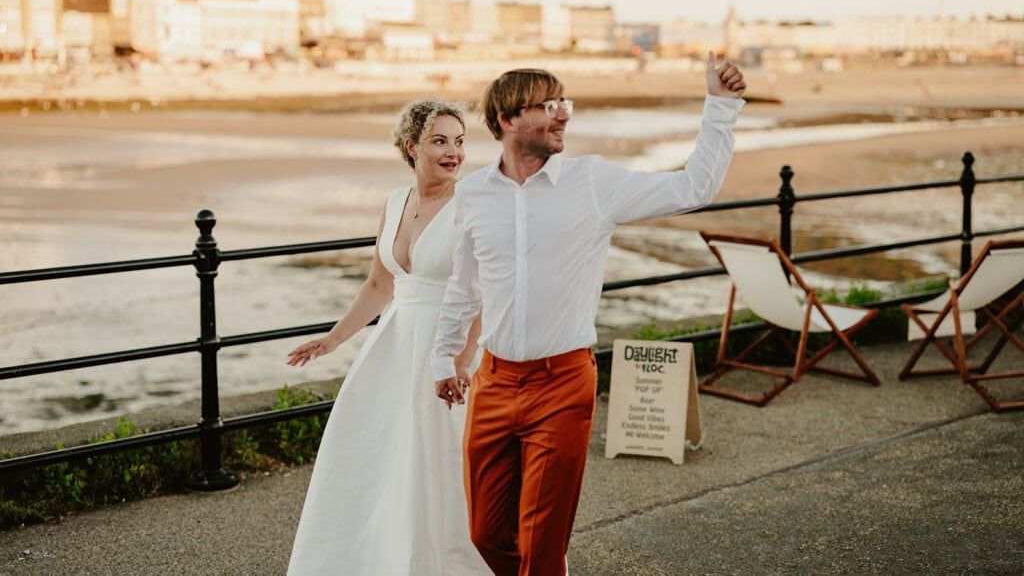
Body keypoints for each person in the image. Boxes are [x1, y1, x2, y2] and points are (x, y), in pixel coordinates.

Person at [432, 52, 747, 575]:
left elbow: (695, 187)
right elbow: (463, 289)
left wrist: (720, 105)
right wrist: (445, 357)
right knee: (485, 534)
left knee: (542, 543)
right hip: (493, 381)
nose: (563, 115)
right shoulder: (472, 196)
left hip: (562, 384)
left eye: (565, 103)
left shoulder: (594, 183)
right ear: (508, 121)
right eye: (548, 105)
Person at [285, 100, 490, 575]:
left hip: (449, 349)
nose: (453, 152)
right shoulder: (396, 202)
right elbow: (380, 284)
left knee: (438, 463)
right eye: (440, 141)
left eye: (459, 141)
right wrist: (333, 340)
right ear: (411, 146)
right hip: (395, 345)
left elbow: (482, 293)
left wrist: (460, 361)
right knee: (379, 456)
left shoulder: (474, 204)